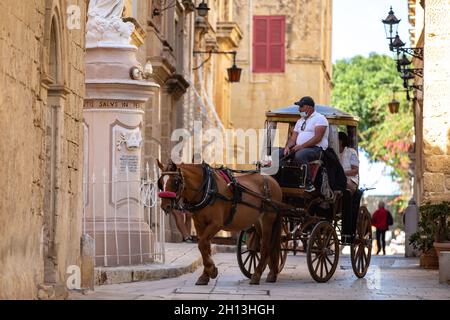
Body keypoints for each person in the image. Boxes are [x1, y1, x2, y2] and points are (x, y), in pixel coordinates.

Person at [280, 96, 329, 192]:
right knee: (277, 153)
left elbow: (317, 138)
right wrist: (287, 147)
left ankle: (308, 183)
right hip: (299, 147)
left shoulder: (320, 118)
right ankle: (277, 181)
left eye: (301, 107)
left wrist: (301, 146)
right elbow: (293, 138)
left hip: (316, 149)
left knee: (300, 155)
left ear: (309, 107)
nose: (299, 109)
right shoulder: (300, 121)